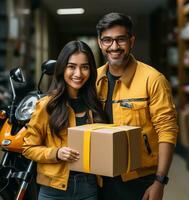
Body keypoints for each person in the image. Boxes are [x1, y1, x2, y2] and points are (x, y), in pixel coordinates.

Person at [96, 12, 178, 200]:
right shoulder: (94, 79)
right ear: (100, 43)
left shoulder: (153, 79)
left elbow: (167, 131)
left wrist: (159, 181)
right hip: (99, 177)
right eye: (107, 40)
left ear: (131, 41)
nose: (114, 46)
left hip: (140, 178)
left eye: (120, 39)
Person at [22, 40, 108, 200]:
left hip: (88, 187)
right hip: (53, 190)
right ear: (62, 68)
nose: (78, 73)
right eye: (71, 66)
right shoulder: (47, 105)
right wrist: (56, 153)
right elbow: (28, 148)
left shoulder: (95, 104)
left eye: (85, 67)